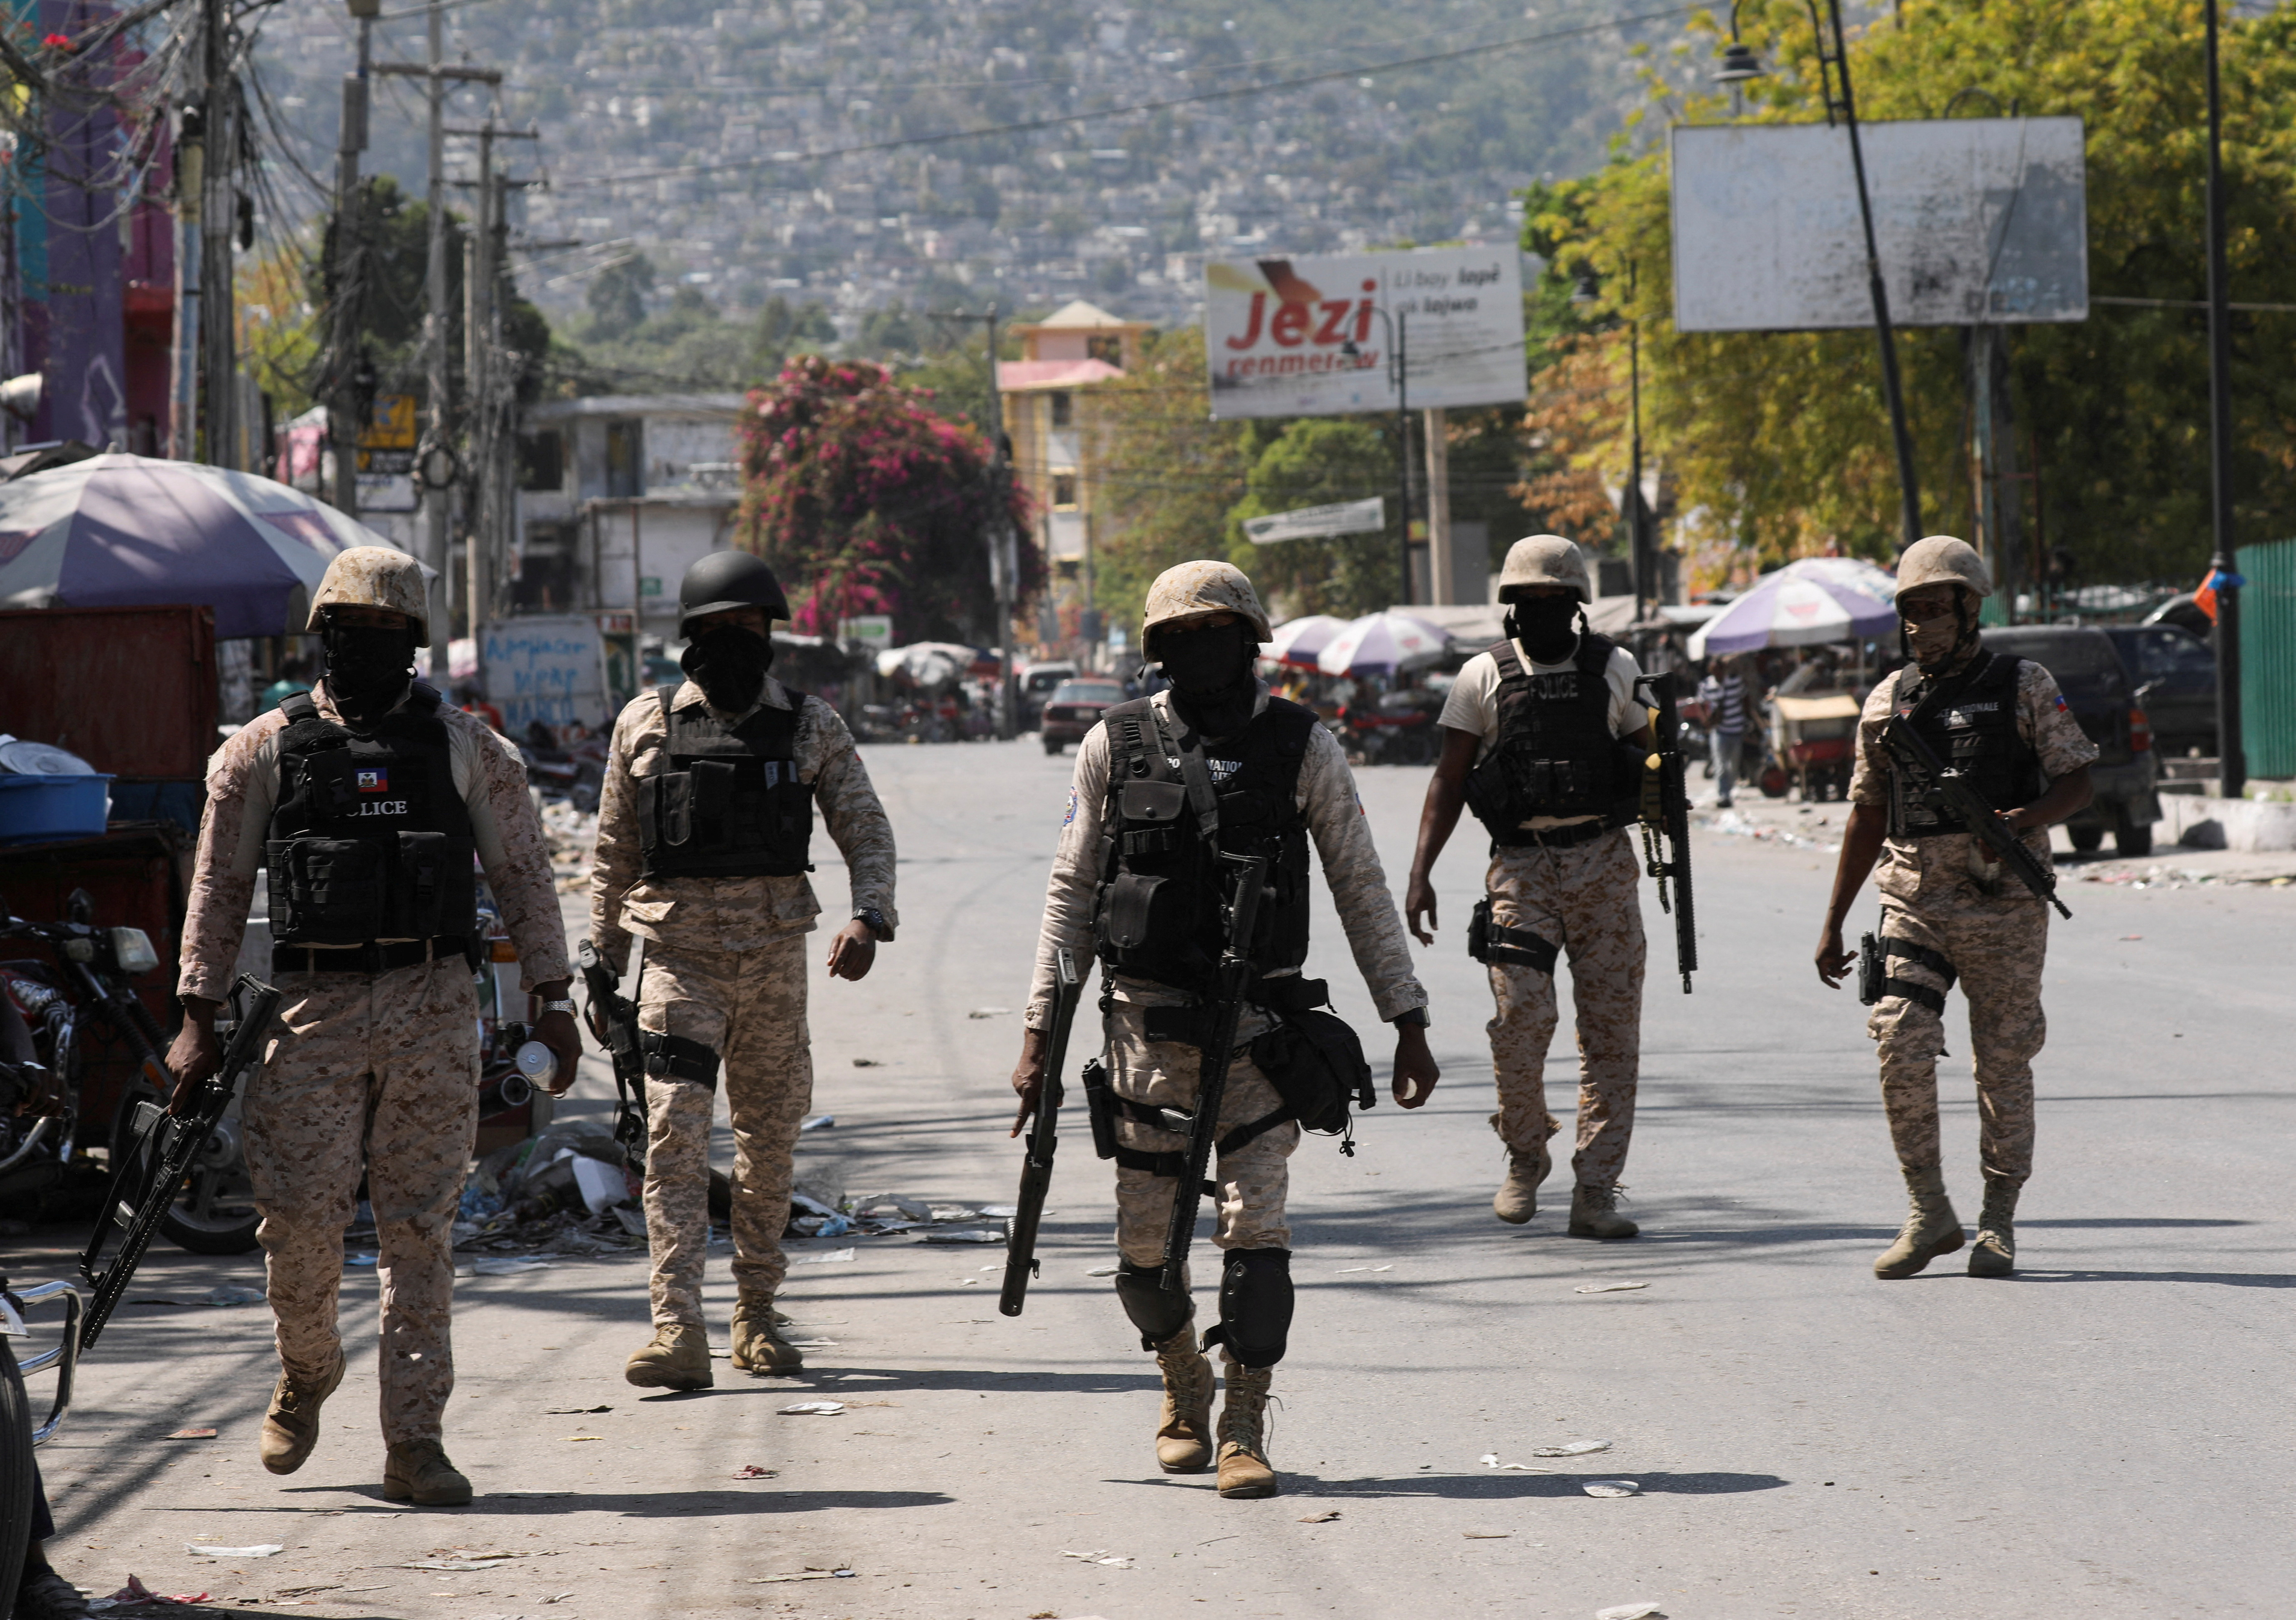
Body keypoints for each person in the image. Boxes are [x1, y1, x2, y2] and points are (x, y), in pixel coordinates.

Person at [1010, 560, 1437, 1501]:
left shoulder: (1300, 744)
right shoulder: (1112, 745)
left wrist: (1405, 1015)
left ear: (1250, 642)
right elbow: (1070, 893)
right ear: (1160, 650)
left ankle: (1244, 1414)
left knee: (1256, 1237)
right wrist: (1041, 1030)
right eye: (1183, 637)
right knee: (1144, 1255)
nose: (1203, 653)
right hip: (1141, 1034)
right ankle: (1181, 1381)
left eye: (1220, 635)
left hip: (1257, 1032)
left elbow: (1359, 884)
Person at [167, 547, 579, 1508]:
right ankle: (308, 1370)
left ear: (415, 646)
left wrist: (552, 1003)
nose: (361, 649)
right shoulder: (262, 750)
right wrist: (196, 1014)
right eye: (345, 633)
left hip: (432, 1005)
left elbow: (525, 878)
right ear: (321, 639)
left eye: (383, 635)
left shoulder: (470, 749)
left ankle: (415, 1441)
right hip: (308, 1013)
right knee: (300, 1231)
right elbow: (220, 887)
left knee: (418, 1234)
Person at [587, 550, 896, 1390]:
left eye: (749, 628)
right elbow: (613, 850)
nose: (735, 641)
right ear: (690, 636)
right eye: (720, 628)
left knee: (768, 1144)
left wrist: (870, 914)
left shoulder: (808, 724)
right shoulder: (643, 723)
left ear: (770, 635)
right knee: (673, 1139)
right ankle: (675, 1327)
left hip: (770, 965)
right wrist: (599, 965)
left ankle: (756, 1313)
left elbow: (864, 826)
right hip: (676, 964)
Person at [1815, 536, 2095, 1279]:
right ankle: (1928, 1210)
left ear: (1970, 609)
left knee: (2002, 1063)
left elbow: (2079, 781)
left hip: (2004, 903)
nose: (1921, 624)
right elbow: (1866, 815)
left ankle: (1997, 1220)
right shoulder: (1887, 702)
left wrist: (2025, 819)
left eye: (1936, 608)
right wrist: (1833, 920)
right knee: (1899, 1037)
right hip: (1914, 901)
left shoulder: (2022, 684)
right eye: (1911, 611)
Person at [1403, 535, 1653, 1240]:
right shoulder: (1482, 677)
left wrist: (1656, 771)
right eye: (1528, 602)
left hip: (1602, 863)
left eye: (1555, 601)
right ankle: (1524, 1155)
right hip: (1522, 868)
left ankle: (1596, 1189)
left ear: (1577, 606)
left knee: (1610, 1035)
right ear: (1511, 610)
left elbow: (1653, 760)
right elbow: (1449, 780)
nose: (1542, 613)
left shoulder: (1617, 668)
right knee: (1520, 1024)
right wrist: (1421, 875)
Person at [1697, 653, 1752, 807]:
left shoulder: (1735, 683)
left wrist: (1747, 717)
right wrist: (1706, 720)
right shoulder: (1707, 685)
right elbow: (1700, 703)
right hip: (1719, 730)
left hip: (1736, 728)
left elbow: (1745, 698)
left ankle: (1731, 790)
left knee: (1733, 766)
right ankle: (1724, 795)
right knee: (1720, 765)